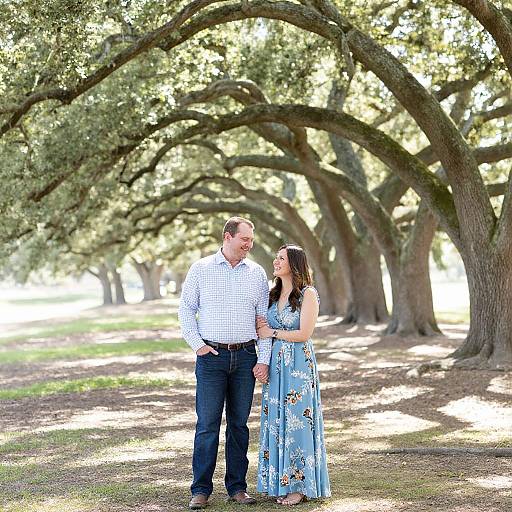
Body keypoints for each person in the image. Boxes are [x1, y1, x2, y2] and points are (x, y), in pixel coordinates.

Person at [178, 216, 272, 510]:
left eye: (251, 241)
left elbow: (263, 321)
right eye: (245, 239)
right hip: (211, 358)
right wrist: (198, 345)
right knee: (207, 425)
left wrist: (264, 359)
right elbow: (185, 310)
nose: (249, 245)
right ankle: (201, 490)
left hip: (245, 357)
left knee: (239, 425)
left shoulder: (257, 274)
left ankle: (237, 487)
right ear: (227, 237)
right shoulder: (201, 269)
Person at [256, 244, 331, 506]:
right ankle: (279, 482)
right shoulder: (272, 293)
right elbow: (261, 328)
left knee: (298, 422)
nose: (276, 262)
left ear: (295, 264)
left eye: (281, 259)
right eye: (276, 258)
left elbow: (304, 334)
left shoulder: (307, 294)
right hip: (276, 368)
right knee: (277, 423)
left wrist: (273, 333)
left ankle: (299, 485)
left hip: (298, 366)